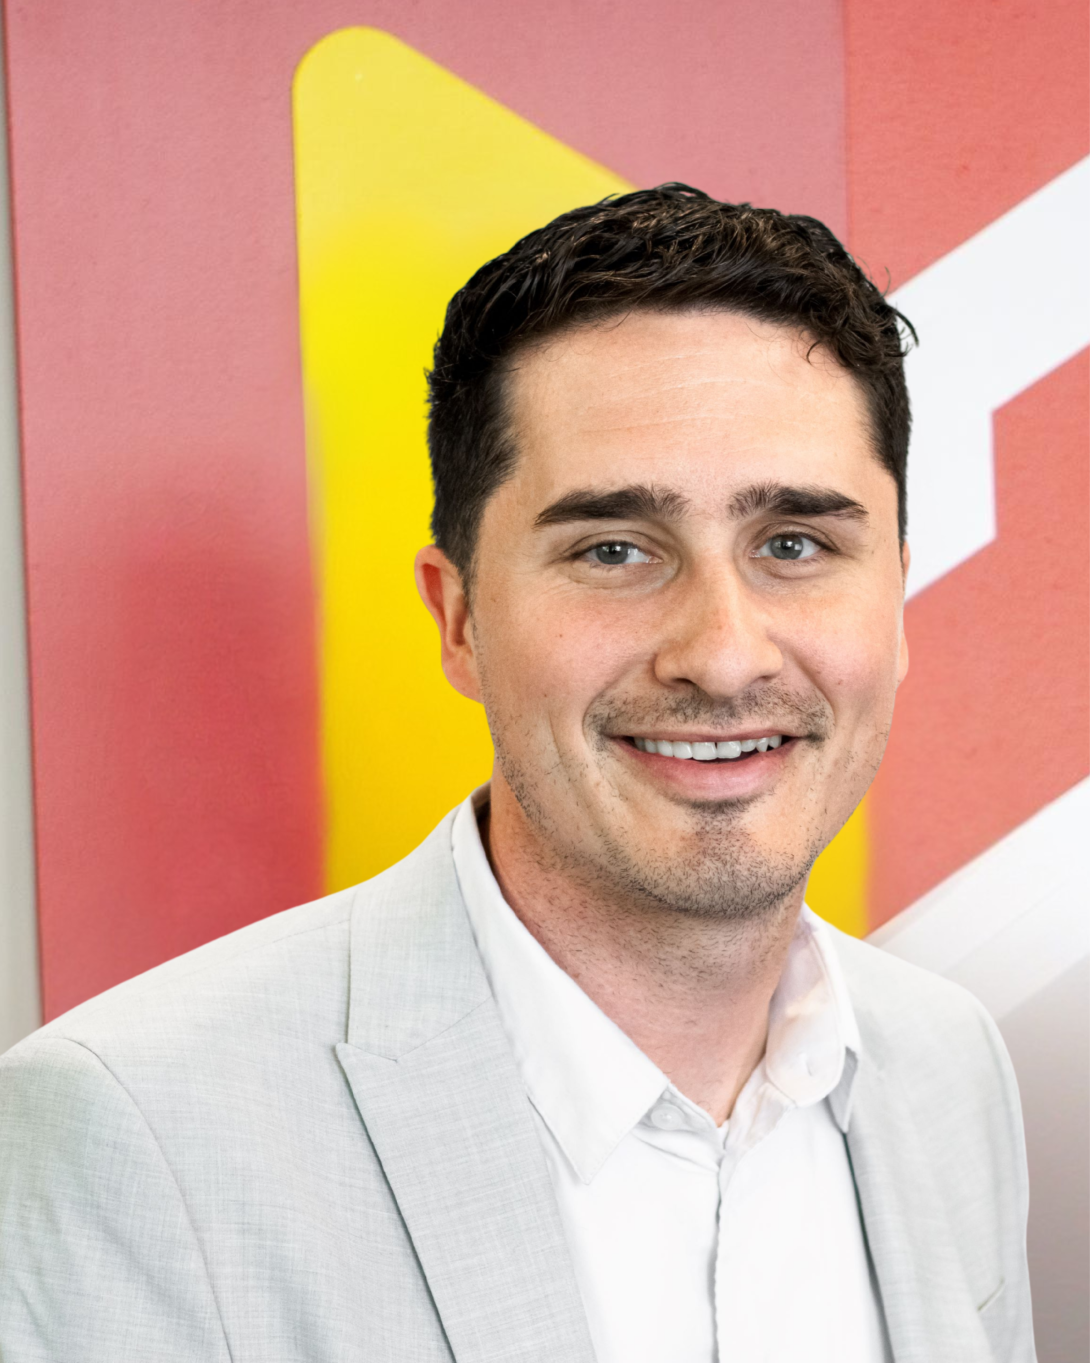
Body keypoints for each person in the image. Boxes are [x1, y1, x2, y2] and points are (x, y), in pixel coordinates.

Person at [0, 186, 1033, 1363]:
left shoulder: (948, 1066)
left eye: (794, 544)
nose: (723, 653)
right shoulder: (141, 1132)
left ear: (894, 600)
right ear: (460, 619)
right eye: (613, 549)